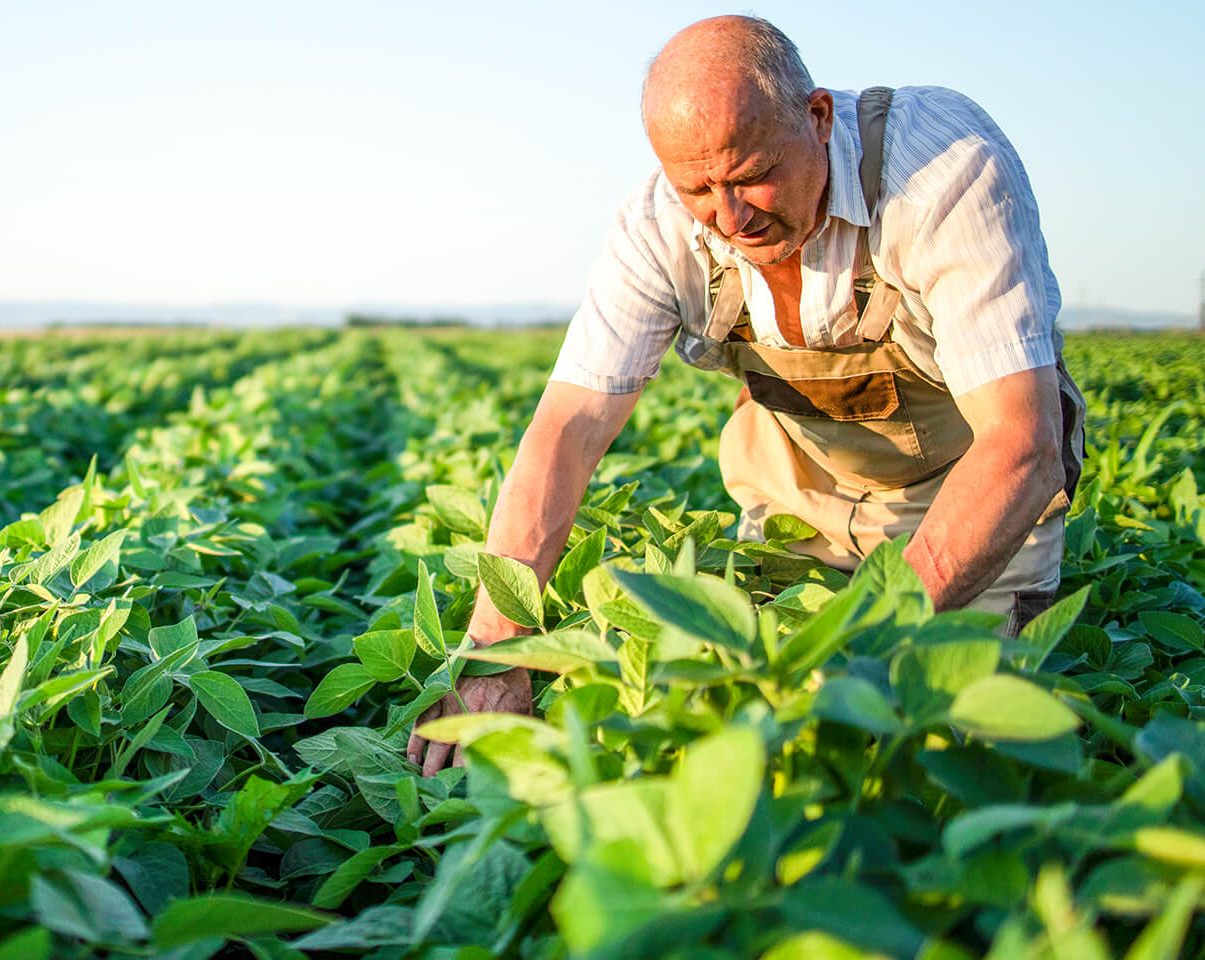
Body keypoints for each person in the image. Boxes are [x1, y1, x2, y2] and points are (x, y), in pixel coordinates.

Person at [408, 14, 1085, 776]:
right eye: (698, 187)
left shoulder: (943, 172)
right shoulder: (657, 227)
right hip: (799, 495)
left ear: (818, 117)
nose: (730, 217)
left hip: (971, 500)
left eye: (750, 174)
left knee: (950, 749)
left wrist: (857, 647)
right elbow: (567, 430)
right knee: (743, 741)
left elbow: (1022, 448)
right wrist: (500, 647)